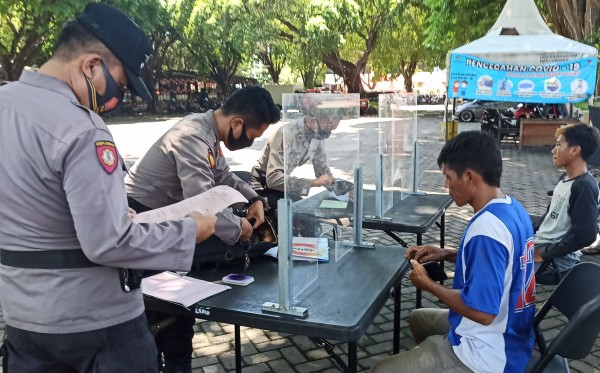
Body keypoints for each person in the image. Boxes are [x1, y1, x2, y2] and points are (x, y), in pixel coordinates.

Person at [0, 3, 217, 372]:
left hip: (24, 320)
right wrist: (189, 231)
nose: (117, 96)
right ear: (91, 65)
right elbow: (108, 242)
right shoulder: (82, 129)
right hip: (96, 327)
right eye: (120, 81)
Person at [125, 85, 281, 372]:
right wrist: (239, 228)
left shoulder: (208, 132)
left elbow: (223, 175)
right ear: (237, 123)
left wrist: (254, 198)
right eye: (252, 136)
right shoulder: (193, 136)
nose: (251, 141)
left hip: (170, 220)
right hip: (145, 221)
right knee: (165, 311)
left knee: (178, 314)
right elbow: (201, 202)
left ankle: (176, 363)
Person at [370, 131, 536, 373]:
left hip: (487, 354)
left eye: (448, 177)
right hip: (513, 333)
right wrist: (445, 253)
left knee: (380, 370)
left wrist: (429, 285)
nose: (446, 185)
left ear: (469, 176)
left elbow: (482, 313)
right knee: (418, 318)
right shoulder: (513, 208)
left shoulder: (486, 229)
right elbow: (500, 262)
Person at [249, 101, 342, 224]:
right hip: (261, 184)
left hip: (282, 185)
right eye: (324, 130)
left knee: (307, 215)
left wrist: (341, 191)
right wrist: (312, 183)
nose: (325, 135)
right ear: (312, 119)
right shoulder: (286, 134)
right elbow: (273, 179)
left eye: (329, 132)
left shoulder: (316, 135)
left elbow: (322, 170)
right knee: (298, 217)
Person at [533, 123, 600, 283]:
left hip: (556, 261)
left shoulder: (584, 186)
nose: (553, 151)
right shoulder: (564, 179)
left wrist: (543, 253)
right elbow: (550, 217)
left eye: (558, 145)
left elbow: (586, 235)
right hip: (540, 245)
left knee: (495, 267)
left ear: (575, 150)